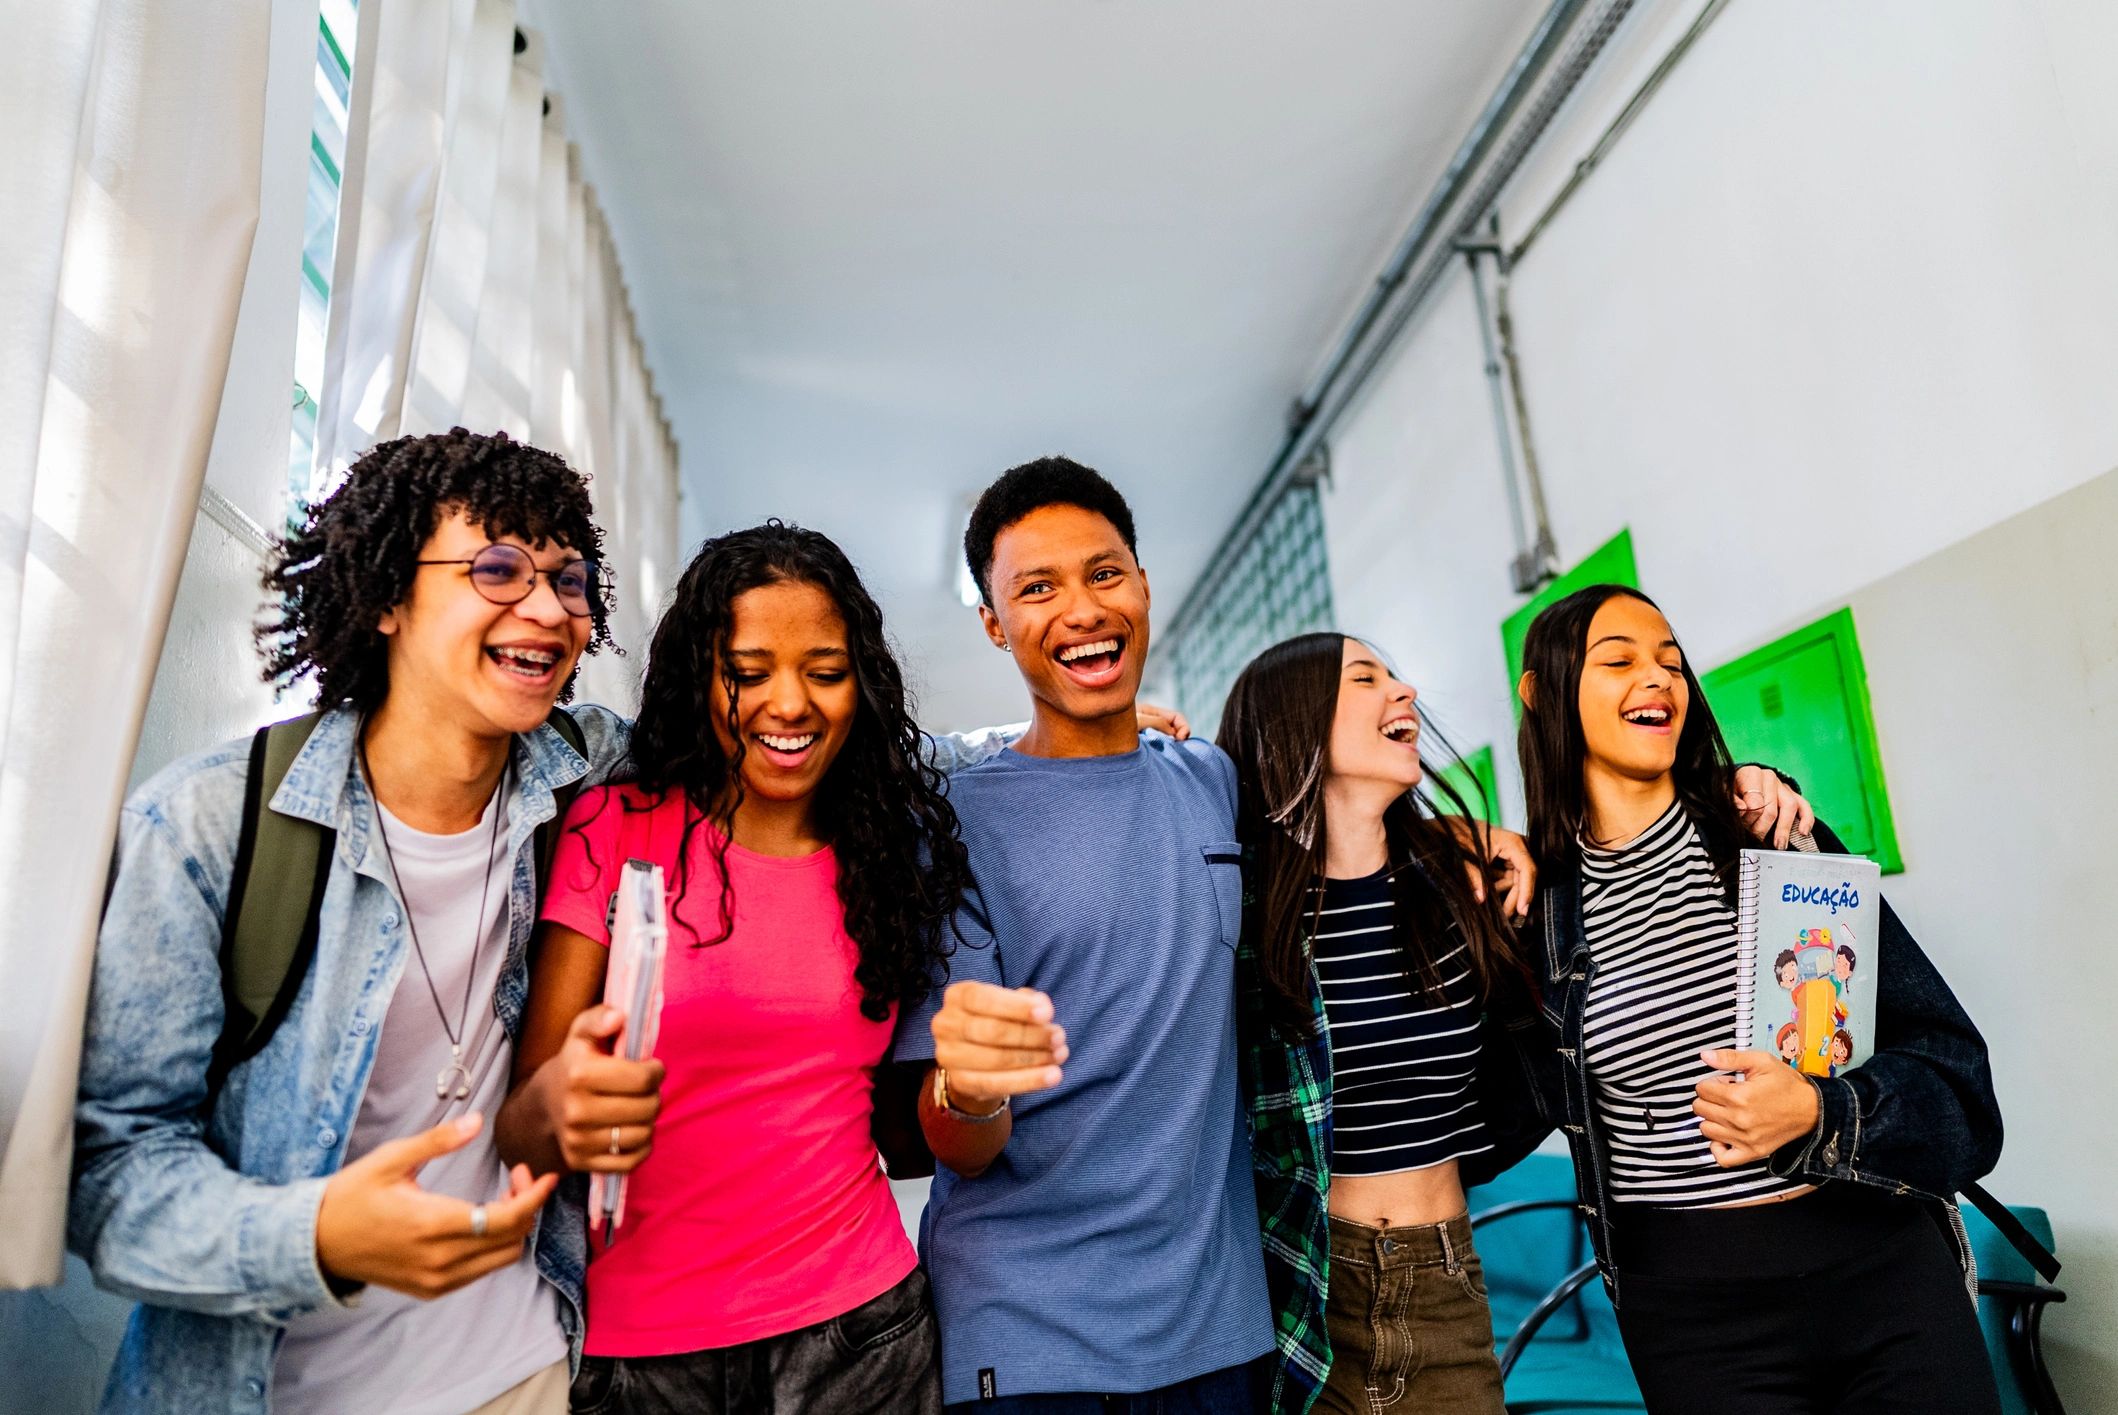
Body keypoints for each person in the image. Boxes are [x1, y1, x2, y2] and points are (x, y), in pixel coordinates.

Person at [72, 429, 629, 1415]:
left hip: (527, 1372)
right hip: (266, 1389)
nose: (547, 607)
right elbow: (110, 1177)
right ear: (384, 597)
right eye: (498, 566)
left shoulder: (582, 775)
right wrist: (317, 1233)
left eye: (568, 577)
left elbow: (787, 745)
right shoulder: (208, 827)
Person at [1218, 632, 1817, 1415]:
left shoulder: (1469, 890)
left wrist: (1748, 781)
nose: (1404, 691)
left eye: (1398, 674)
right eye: (1366, 678)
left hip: (1445, 1280)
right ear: (1290, 724)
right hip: (1300, 1287)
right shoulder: (1245, 917)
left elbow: (1622, 841)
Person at [496, 522, 975, 1414]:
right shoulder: (617, 826)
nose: (788, 703)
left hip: (863, 1335)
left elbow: (900, 1136)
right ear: (697, 678)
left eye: (824, 672)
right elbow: (523, 1122)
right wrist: (563, 1099)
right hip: (644, 1358)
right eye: (747, 673)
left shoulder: (880, 852)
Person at [1514, 583, 2002, 1414]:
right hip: (1695, 1316)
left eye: (1672, 659)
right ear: (1542, 690)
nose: (1659, 678)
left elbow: (1950, 1064)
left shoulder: (1769, 837)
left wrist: (1822, 1113)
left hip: (1882, 1267)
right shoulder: (1538, 908)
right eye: (1620, 659)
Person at [896, 456, 1274, 1413]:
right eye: (1036, 588)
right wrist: (969, 1087)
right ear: (994, 624)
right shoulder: (956, 824)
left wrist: (1479, 845)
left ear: (1143, 583)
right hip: (1029, 1343)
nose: (1081, 608)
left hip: (1221, 1328)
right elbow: (955, 1141)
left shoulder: (1216, 784)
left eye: (1104, 574)